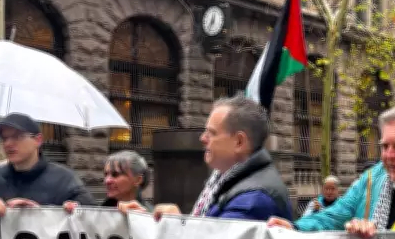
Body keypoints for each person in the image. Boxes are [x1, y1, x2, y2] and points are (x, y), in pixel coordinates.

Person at [124, 95, 292, 222]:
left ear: (239, 142)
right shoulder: (225, 181)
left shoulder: (254, 199)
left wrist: (178, 225)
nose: (202, 138)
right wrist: (147, 219)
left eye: (211, 133)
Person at [268, 105, 395, 232]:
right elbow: (335, 215)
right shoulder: (371, 180)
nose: (389, 155)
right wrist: (295, 228)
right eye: (385, 146)